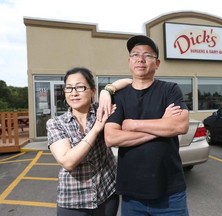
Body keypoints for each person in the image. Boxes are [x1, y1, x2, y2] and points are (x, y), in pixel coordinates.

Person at [104, 35, 190, 215]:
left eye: (148, 55)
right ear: (129, 61)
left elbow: (180, 126)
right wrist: (162, 126)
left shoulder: (170, 90)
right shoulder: (119, 96)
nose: (141, 59)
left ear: (157, 63)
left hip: (171, 193)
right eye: (135, 55)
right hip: (132, 195)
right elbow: (111, 137)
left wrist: (133, 124)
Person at [46, 67, 131, 216]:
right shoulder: (56, 123)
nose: (74, 92)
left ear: (92, 91)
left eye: (80, 87)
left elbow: (130, 82)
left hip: (107, 195)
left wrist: (106, 91)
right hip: (73, 203)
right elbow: (68, 162)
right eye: (69, 88)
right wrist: (96, 129)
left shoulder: (103, 109)